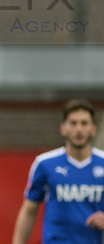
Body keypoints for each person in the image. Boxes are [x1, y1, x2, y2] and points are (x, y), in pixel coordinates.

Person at [12, 99, 104, 244]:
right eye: (73, 123)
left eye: (84, 123)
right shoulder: (45, 164)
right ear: (63, 128)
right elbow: (29, 210)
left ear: (93, 129)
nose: (78, 129)